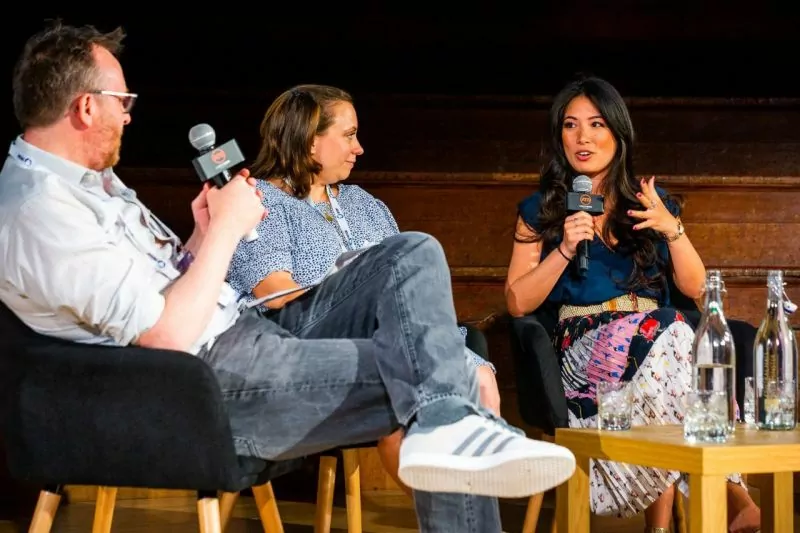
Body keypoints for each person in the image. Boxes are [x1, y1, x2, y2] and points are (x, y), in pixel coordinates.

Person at [0, 21, 577, 533]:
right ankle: (455, 425)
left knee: (411, 252)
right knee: (444, 378)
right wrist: (226, 232)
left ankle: (452, 425)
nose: (129, 113)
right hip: (202, 384)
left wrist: (200, 236)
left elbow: (167, 288)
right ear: (84, 108)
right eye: (122, 100)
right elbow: (168, 338)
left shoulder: (87, 182)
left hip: (244, 335)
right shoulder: (37, 210)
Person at [504, 75, 760, 532]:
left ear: (619, 134)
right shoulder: (540, 209)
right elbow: (517, 302)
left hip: (658, 346)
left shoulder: (649, 203)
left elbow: (700, 289)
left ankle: (659, 526)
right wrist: (564, 249)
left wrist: (671, 230)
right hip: (585, 351)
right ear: (558, 135)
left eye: (596, 124)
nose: (583, 137)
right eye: (570, 125)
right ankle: (731, 494)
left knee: (679, 337)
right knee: (674, 331)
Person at [224, 84, 501, 495]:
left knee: (476, 377)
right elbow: (277, 293)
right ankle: (477, 451)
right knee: (413, 264)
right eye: (349, 134)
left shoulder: (364, 204)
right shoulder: (259, 199)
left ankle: (487, 448)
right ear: (310, 139)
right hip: (308, 348)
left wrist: (464, 356)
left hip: (390, 342)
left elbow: (411, 299)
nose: (360, 148)